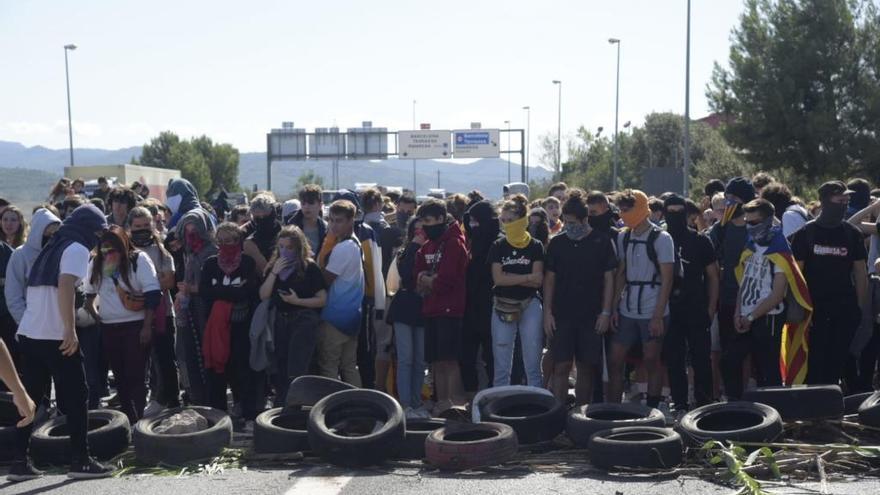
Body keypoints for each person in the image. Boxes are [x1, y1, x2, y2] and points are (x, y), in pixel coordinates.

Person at [11, 204, 113, 480]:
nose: (100, 238)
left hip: (30, 334)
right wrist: (70, 330)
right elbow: (66, 285)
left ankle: (19, 462)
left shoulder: (52, 246)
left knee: (29, 401)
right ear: (90, 229)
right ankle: (81, 460)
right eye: (99, 232)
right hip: (55, 336)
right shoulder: (77, 248)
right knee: (77, 398)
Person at [792, 181, 870, 386]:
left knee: (838, 360)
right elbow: (796, 274)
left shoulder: (852, 234)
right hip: (813, 310)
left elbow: (860, 273)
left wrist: (861, 308)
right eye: (839, 199)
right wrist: (799, 308)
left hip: (844, 308)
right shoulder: (806, 234)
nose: (844, 203)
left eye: (847, 200)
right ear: (825, 201)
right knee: (815, 361)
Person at [543, 190, 617, 404]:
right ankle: (557, 413)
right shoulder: (557, 243)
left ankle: (580, 415)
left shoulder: (601, 242)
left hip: (591, 315)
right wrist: (547, 313)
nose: (568, 227)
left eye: (573, 223)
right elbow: (549, 280)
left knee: (586, 367)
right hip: (562, 315)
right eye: (565, 222)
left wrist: (605, 312)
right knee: (561, 365)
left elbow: (609, 279)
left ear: (585, 220)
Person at [83, 226, 160, 423]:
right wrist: (97, 315)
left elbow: (152, 293)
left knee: (136, 376)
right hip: (110, 328)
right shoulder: (96, 262)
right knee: (120, 377)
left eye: (113, 248)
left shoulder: (138, 259)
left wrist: (146, 326)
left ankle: (140, 419)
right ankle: (129, 419)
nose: (109, 253)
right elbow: (89, 294)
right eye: (105, 248)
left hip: (135, 325)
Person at [608, 189, 674, 408]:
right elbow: (621, 274)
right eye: (621, 210)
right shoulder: (623, 236)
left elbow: (667, 279)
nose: (623, 215)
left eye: (627, 210)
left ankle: (653, 409)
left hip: (652, 306)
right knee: (615, 359)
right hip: (627, 307)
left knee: (651, 360)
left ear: (640, 209)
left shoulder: (662, 238)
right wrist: (614, 307)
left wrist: (657, 315)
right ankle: (613, 409)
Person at [723, 199, 790, 398]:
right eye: (747, 222)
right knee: (728, 361)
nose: (750, 227)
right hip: (744, 315)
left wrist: (751, 317)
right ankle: (735, 406)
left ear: (768, 221)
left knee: (768, 371)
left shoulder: (780, 249)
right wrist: (738, 312)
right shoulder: (751, 244)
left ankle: (778, 416)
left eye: (754, 222)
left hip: (768, 317)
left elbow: (777, 294)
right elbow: (743, 281)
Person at [200, 222, 263, 423]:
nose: (227, 244)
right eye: (222, 241)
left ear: (239, 240)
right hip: (215, 326)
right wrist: (232, 292)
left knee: (240, 366)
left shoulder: (247, 263)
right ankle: (217, 411)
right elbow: (205, 292)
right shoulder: (210, 263)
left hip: (241, 325)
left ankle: (243, 407)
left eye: (231, 240)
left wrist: (221, 292)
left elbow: (248, 291)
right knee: (216, 367)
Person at [662, 194, 719, 411]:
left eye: (679, 212)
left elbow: (713, 276)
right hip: (669, 309)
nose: (675, 216)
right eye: (671, 212)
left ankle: (704, 402)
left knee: (701, 358)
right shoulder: (660, 239)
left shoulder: (700, 240)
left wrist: (711, 307)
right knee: (674, 359)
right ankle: (679, 402)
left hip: (696, 307)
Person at [259, 225, 326, 407]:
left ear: (298, 248)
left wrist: (297, 301)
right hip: (281, 319)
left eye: (289, 248)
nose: (284, 251)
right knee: (280, 362)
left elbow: (321, 299)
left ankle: (295, 404)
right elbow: (263, 294)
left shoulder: (309, 267)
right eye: (281, 247)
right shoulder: (274, 266)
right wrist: (274, 272)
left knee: (297, 365)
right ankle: (282, 403)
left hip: (303, 318)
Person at [414, 198, 469, 414]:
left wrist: (428, 280)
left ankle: (453, 403)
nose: (426, 226)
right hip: (431, 308)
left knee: (449, 359)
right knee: (435, 360)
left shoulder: (454, 243)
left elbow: (447, 280)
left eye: (429, 220)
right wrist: (427, 279)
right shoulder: (427, 246)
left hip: (450, 309)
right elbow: (414, 276)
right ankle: (440, 401)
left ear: (440, 218)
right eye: (423, 221)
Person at [489, 194, 545, 388]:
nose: (506, 225)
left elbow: (538, 280)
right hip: (503, 305)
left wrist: (511, 277)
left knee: (533, 357)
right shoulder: (498, 245)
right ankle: (498, 403)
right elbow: (498, 279)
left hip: (530, 304)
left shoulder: (535, 246)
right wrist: (527, 277)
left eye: (511, 221)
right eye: (503, 221)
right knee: (502, 359)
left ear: (522, 220)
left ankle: (537, 402)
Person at [128, 206, 180, 411]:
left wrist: (144, 282)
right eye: (137, 226)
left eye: (145, 226)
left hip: (163, 313)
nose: (142, 230)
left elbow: (168, 282)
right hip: (134, 314)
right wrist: (151, 280)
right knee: (141, 362)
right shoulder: (126, 250)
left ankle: (172, 399)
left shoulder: (161, 250)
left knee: (165, 359)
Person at [709, 177, 754, 396]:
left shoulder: (757, 229)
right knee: (727, 355)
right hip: (726, 300)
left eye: (734, 198)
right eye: (726, 198)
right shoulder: (720, 229)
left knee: (747, 355)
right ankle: (732, 398)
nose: (728, 203)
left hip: (755, 303)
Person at [316, 200, 365, 386]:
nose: (334, 225)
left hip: (334, 317)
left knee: (329, 366)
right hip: (352, 316)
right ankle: (358, 407)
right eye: (331, 220)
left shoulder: (344, 248)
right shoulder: (353, 243)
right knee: (349, 366)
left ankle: (331, 409)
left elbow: (325, 280)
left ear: (351, 220)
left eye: (339, 221)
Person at [4, 209, 61, 365]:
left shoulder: (60, 254)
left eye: (55, 234)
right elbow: (13, 295)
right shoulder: (20, 255)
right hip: (29, 333)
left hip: (57, 332)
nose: (51, 238)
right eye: (48, 233)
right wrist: (26, 323)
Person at [174, 204, 217, 406]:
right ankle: (197, 395)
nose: (191, 235)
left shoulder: (211, 252)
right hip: (191, 309)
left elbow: (212, 287)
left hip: (208, 310)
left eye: (195, 230)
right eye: (187, 230)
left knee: (207, 354)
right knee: (189, 351)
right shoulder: (189, 253)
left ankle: (209, 397)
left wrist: (192, 289)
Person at [386, 217, 428, 417]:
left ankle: (416, 400)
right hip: (404, 307)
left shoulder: (434, 251)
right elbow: (405, 274)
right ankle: (404, 404)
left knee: (420, 359)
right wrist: (413, 247)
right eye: (416, 230)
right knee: (405, 357)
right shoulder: (404, 251)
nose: (420, 233)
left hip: (423, 308)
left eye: (423, 230)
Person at [461, 199, 499, 394]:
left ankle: (492, 395)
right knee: (467, 356)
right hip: (471, 307)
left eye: (478, 221)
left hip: (491, 307)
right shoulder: (473, 241)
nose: (473, 225)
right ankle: (471, 395)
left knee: (491, 356)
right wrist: (470, 217)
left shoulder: (497, 241)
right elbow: (467, 221)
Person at [243, 193, 281, 274]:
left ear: (273, 211)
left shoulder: (285, 233)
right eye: (258, 217)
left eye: (265, 216)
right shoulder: (248, 239)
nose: (262, 218)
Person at [289, 184, 327, 256]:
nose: (306, 207)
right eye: (303, 203)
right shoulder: (291, 227)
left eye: (311, 203)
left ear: (320, 205)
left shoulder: (326, 228)